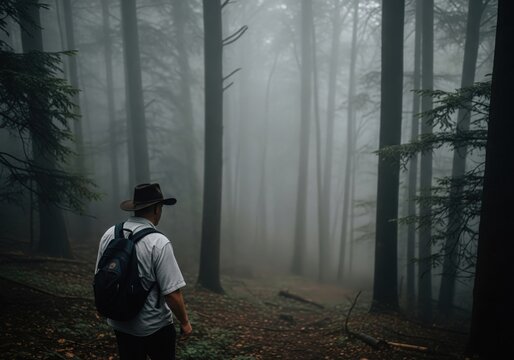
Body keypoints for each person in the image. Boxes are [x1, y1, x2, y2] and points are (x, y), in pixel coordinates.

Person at [95, 183, 192, 360]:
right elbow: (172, 293)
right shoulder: (158, 242)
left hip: (120, 323)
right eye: (161, 207)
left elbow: (100, 276)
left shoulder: (110, 234)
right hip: (154, 326)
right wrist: (185, 322)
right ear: (156, 209)